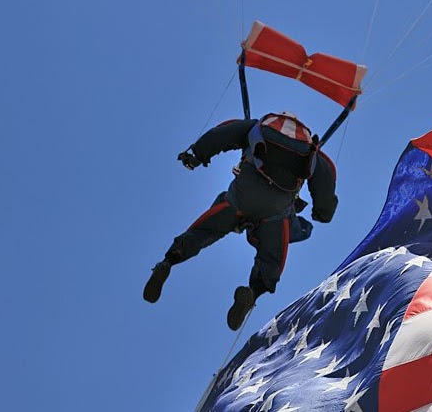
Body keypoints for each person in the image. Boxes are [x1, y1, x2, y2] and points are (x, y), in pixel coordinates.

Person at [143, 112, 338, 330]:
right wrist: (323, 212)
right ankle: (252, 292)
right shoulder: (310, 150)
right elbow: (326, 182)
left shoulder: (257, 128)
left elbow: (222, 134)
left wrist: (197, 155)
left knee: (205, 229)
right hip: (275, 212)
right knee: (273, 258)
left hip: (240, 198)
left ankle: (168, 262)